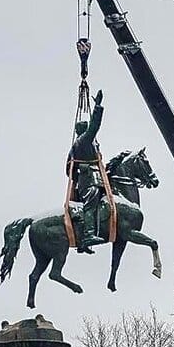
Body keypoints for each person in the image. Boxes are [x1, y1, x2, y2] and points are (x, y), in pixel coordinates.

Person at [66, 89, 107, 252]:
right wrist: (97, 106)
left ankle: (86, 239)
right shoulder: (84, 140)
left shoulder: (75, 146)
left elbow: (67, 168)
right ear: (83, 131)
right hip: (90, 181)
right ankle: (89, 234)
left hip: (89, 179)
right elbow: (94, 126)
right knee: (90, 206)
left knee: (95, 206)